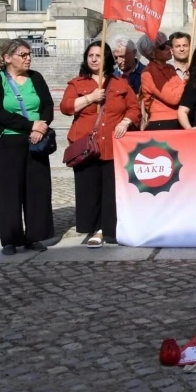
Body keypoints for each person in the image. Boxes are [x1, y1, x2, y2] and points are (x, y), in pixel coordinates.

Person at [61, 41, 140, 248]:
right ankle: (94, 227)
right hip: (87, 145)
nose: (94, 59)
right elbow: (66, 107)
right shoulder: (77, 83)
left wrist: (125, 121)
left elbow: (134, 108)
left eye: (98, 55)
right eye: (90, 55)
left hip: (113, 145)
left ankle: (108, 228)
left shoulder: (120, 83)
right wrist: (90, 98)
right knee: (89, 188)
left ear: (106, 59)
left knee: (111, 189)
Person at [0, 39, 55, 255]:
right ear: (7, 58)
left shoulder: (36, 78)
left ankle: (34, 236)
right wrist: (29, 125)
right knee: (9, 191)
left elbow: (48, 105)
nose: (28, 58)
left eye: (29, 54)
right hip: (8, 142)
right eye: (23, 55)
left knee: (36, 190)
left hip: (36, 142)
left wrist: (40, 127)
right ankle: (11, 239)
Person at [138, 32, 185, 131]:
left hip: (178, 118)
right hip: (163, 123)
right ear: (152, 53)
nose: (169, 48)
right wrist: (186, 80)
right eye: (163, 47)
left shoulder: (170, 68)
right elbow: (173, 98)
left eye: (168, 43)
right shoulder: (149, 72)